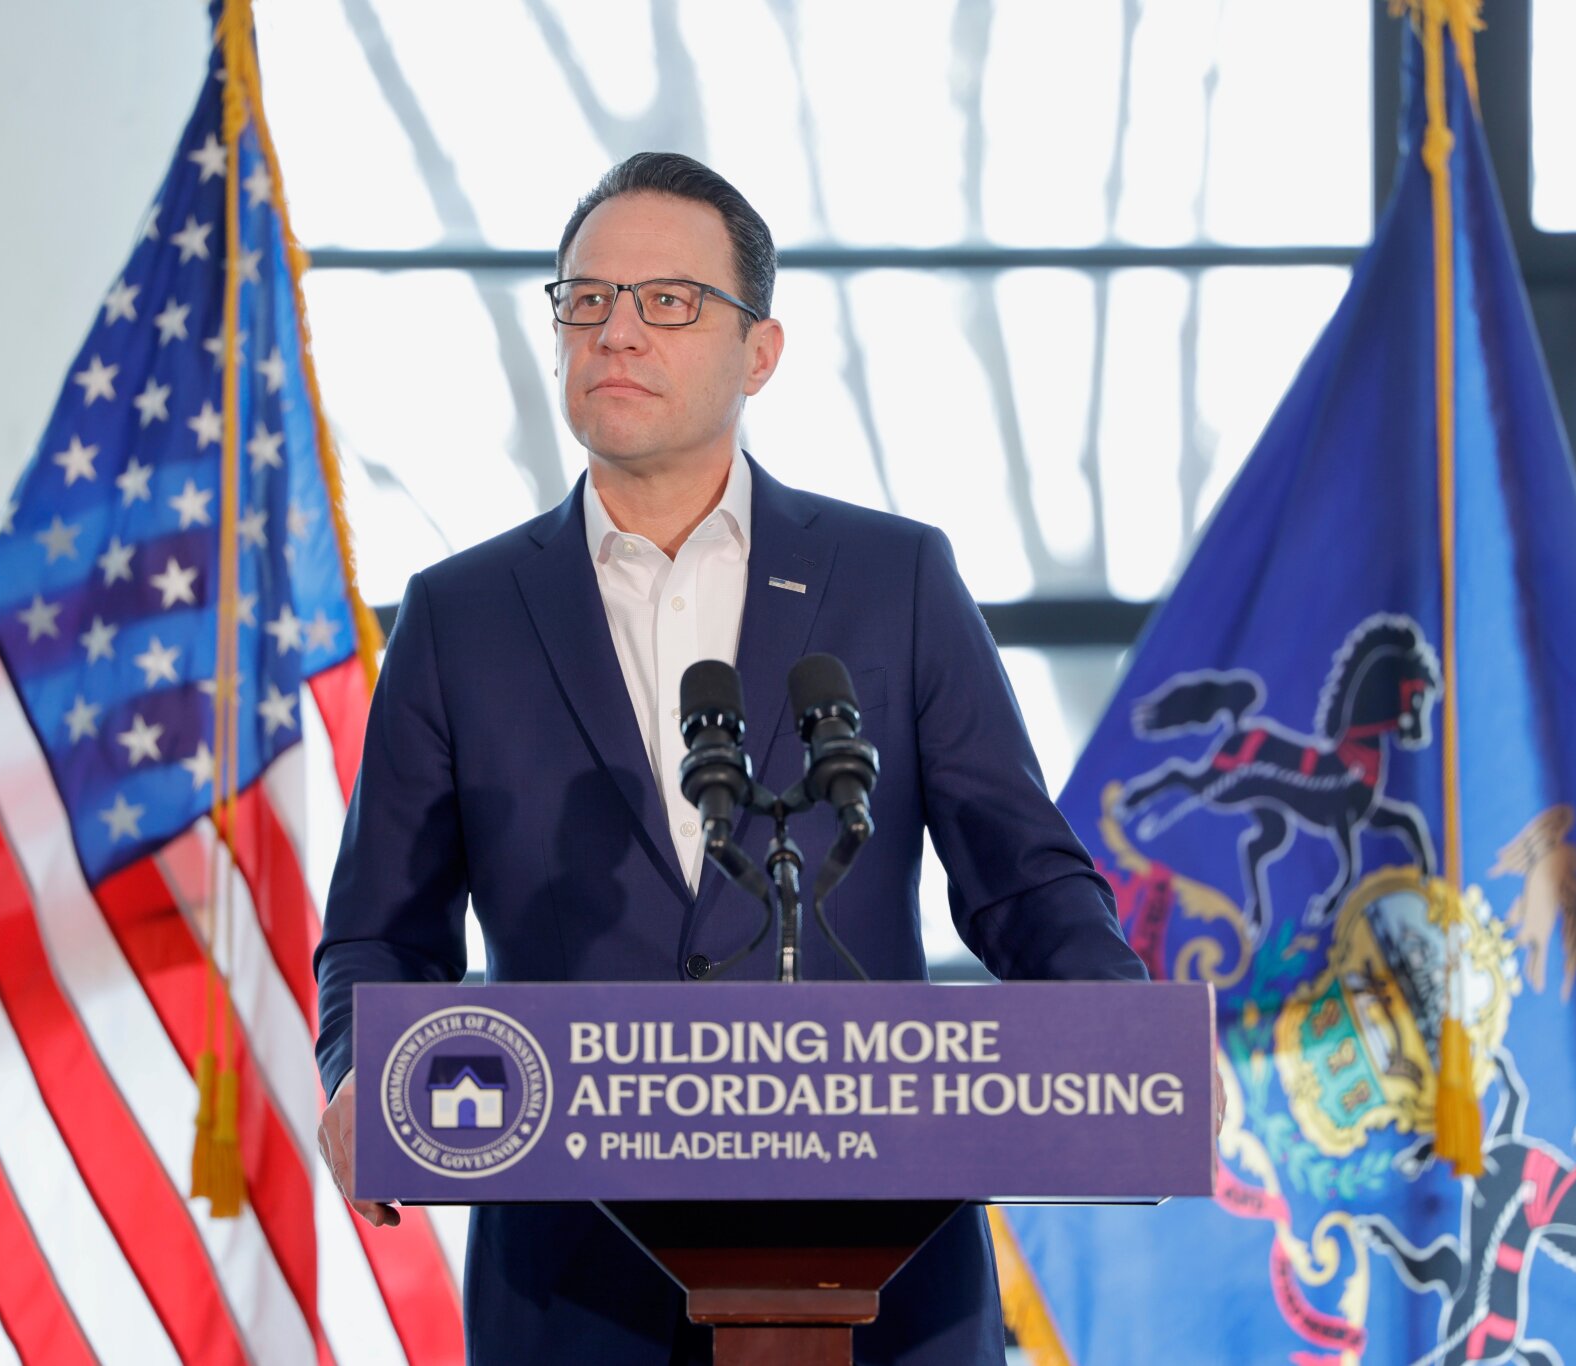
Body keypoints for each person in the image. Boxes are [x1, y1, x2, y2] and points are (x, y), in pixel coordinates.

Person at [312, 151, 1148, 1366]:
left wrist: (1123, 1044)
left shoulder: (893, 580)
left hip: (877, 1273)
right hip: (569, 1286)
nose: (615, 332)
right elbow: (382, 928)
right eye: (585, 300)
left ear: (758, 352)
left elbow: (1023, 879)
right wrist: (360, 1068)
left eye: (667, 302)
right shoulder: (460, 613)